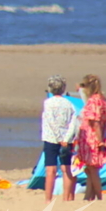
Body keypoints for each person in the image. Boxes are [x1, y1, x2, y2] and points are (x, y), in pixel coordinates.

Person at [41, 75, 78, 203]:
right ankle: (65, 197)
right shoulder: (69, 104)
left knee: (50, 169)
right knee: (66, 168)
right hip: (66, 141)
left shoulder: (48, 103)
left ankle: (48, 198)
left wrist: (59, 138)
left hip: (51, 139)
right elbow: (74, 123)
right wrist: (66, 138)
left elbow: (51, 121)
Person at [75, 74, 106, 201]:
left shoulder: (93, 102)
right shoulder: (103, 100)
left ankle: (99, 196)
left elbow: (95, 123)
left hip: (92, 138)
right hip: (100, 135)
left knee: (93, 169)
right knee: (90, 169)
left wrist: (100, 141)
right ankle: (88, 196)